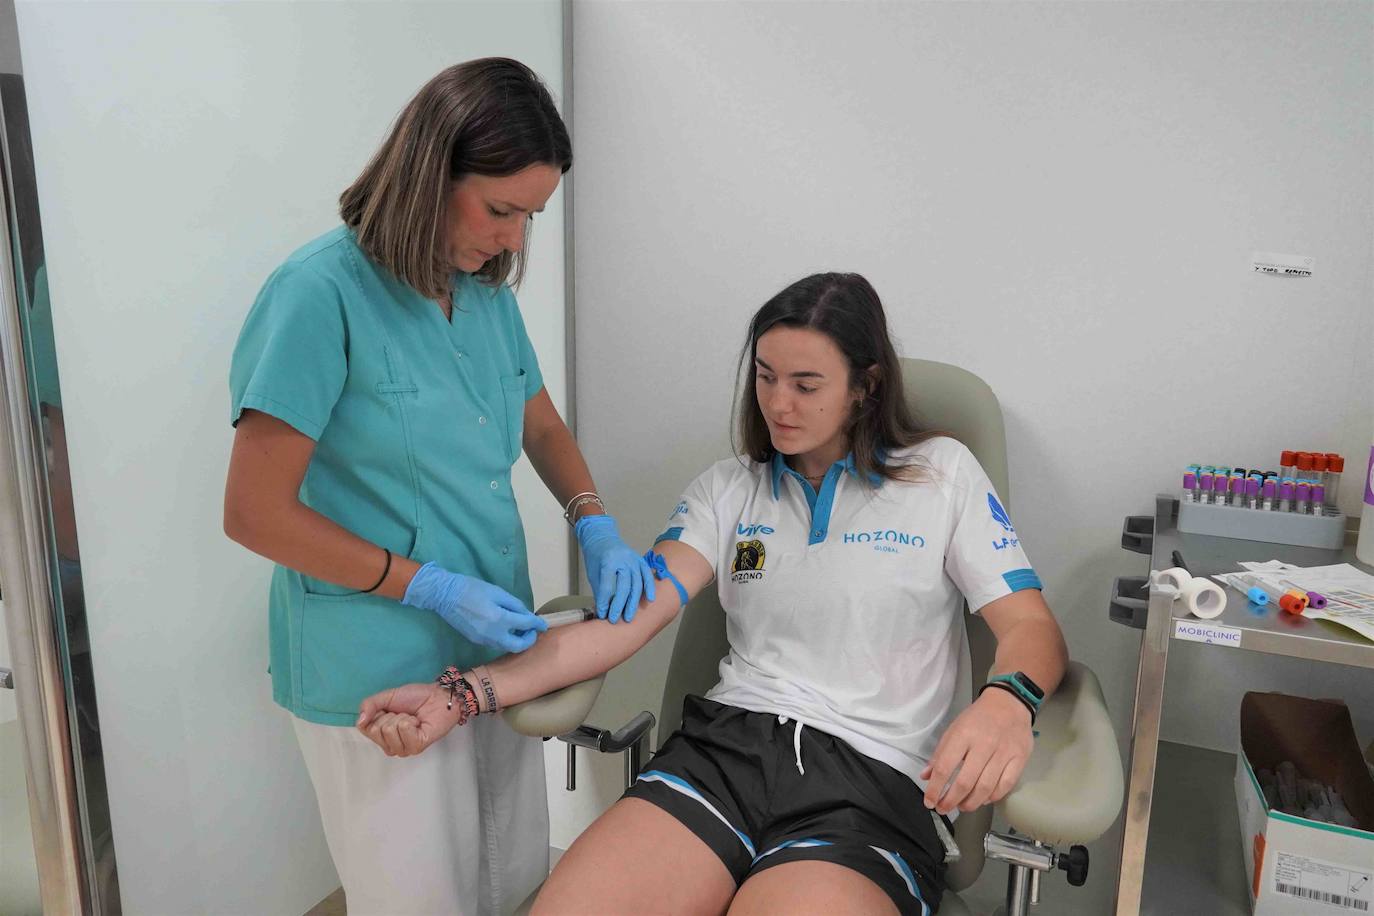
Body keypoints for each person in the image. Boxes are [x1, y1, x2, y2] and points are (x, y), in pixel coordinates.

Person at [356, 273, 1069, 916]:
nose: (778, 404)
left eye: (806, 384)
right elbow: (622, 626)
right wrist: (461, 695)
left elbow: (1030, 626)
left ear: (866, 385)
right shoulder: (729, 490)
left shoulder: (940, 475)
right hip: (723, 757)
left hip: (870, 785)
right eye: (764, 377)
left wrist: (1010, 700)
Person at [223, 58, 653, 916]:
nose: (516, 241)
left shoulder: (483, 295)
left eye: (531, 217)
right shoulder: (318, 296)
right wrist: (428, 585)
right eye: (501, 211)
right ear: (429, 175)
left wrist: (594, 522)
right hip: (373, 665)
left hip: (494, 649)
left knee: (511, 876)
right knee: (417, 899)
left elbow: (541, 426)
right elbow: (254, 513)